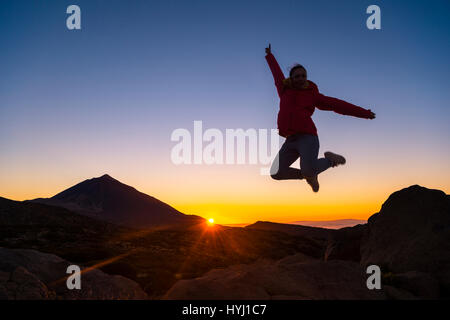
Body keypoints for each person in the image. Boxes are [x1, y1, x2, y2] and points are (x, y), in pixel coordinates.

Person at [265, 44, 376, 192]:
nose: (301, 78)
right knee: (276, 172)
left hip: (308, 137)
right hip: (290, 139)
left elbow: (338, 105)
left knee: (308, 170)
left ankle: (330, 160)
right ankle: (310, 175)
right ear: (291, 79)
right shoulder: (284, 89)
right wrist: (270, 56)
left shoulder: (312, 95)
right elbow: (276, 74)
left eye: (303, 76)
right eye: (297, 76)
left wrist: (365, 113)